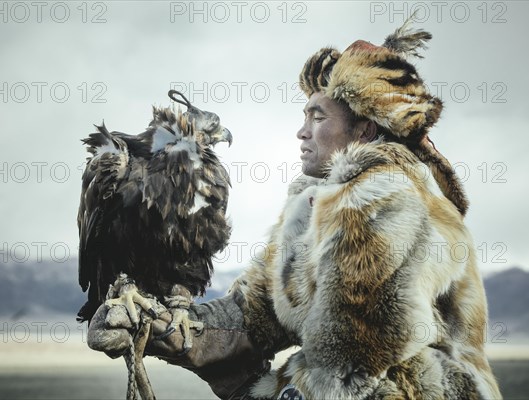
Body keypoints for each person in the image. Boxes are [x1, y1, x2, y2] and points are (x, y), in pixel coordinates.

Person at [88, 19, 502, 400]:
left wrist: (251, 391)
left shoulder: (383, 201)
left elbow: (344, 371)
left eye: (318, 116)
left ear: (365, 130)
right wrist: (169, 328)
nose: (301, 131)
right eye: (304, 115)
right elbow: (257, 314)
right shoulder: (315, 206)